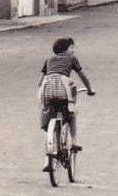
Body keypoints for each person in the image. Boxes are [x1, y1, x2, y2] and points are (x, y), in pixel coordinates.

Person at [40, 36, 95, 166]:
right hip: (63, 87)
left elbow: (41, 80)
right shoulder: (71, 58)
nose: (73, 51)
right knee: (71, 111)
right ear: (65, 49)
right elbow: (83, 76)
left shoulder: (48, 60)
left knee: (49, 120)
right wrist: (89, 89)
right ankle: (74, 140)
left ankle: (48, 158)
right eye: (72, 47)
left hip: (47, 88)